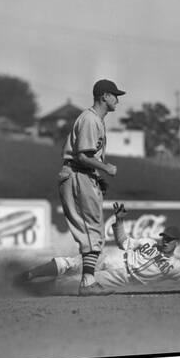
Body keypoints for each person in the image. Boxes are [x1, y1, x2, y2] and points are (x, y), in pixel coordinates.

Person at [17, 203, 180, 291]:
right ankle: (29, 274)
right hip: (115, 256)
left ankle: (32, 290)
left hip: (120, 277)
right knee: (71, 263)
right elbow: (124, 242)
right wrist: (119, 221)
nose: (165, 241)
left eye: (169, 239)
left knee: (73, 282)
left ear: (177, 242)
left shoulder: (175, 266)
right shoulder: (150, 241)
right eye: (164, 237)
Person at [58, 79, 125, 296]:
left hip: (82, 174)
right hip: (78, 174)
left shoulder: (94, 119)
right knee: (91, 230)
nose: (117, 99)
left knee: (93, 230)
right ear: (104, 96)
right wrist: (105, 168)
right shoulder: (90, 119)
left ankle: (88, 280)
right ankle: (87, 282)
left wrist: (98, 175)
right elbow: (82, 155)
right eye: (114, 95)